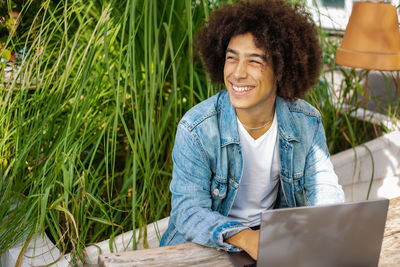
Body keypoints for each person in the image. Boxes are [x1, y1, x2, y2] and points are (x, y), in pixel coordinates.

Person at [160, 0, 344, 260]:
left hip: (270, 240)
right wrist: (247, 238)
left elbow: (325, 189)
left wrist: (330, 226)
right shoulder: (196, 129)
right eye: (231, 58)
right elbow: (188, 211)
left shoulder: (306, 122)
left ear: (281, 69)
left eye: (254, 61)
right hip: (205, 244)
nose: (238, 73)